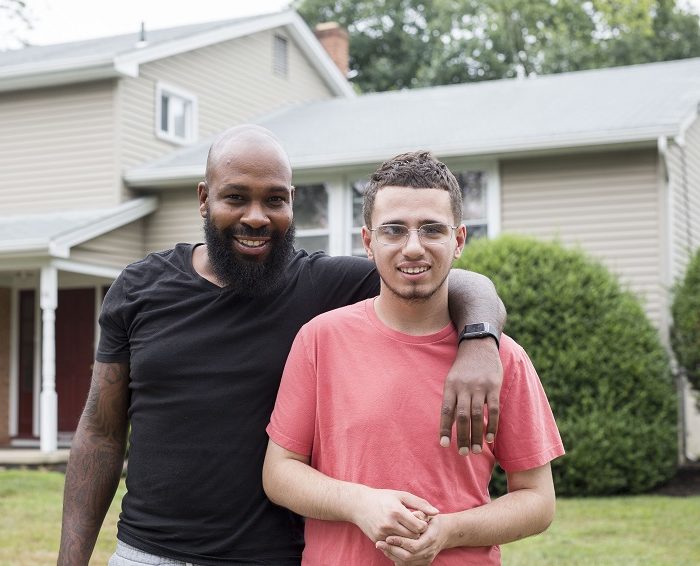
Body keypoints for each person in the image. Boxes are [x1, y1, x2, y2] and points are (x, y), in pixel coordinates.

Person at [58, 127, 506, 566]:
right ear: (203, 199)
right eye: (235, 197)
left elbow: (460, 280)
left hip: (274, 556)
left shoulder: (320, 285)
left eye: (274, 199)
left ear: (291, 203)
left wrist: (480, 341)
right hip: (148, 553)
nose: (256, 216)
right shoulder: (140, 287)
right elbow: (100, 432)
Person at [263, 150, 565, 565]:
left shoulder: (502, 360)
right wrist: (359, 503)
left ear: (458, 241)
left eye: (432, 230)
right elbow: (279, 473)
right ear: (368, 242)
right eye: (393, 230)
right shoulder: (320, 340)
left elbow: (538, 499)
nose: (413, 248)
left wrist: (449, 532)